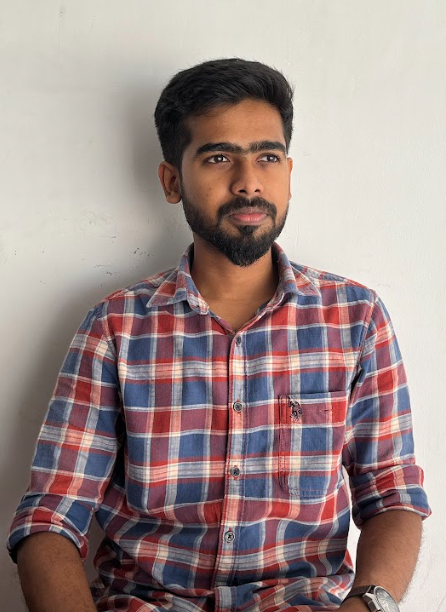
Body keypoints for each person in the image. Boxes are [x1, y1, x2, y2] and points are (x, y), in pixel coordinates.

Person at [7, 58, 431, 612]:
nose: (249, 181)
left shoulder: (355, 319)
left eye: (267, 157)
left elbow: (392, 494)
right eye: (218, 157)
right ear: (172, 181)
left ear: (288, 172)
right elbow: (51, 515)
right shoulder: (116, 328)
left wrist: (367, 604)